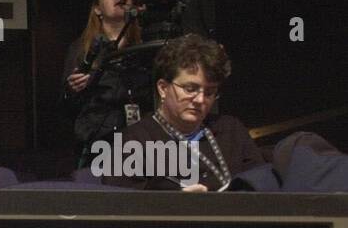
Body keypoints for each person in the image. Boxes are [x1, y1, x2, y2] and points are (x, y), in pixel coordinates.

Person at [105, 34, 264, 191]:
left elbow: (262, 184)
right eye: (190, 89)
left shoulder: (231, 130)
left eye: (209, 92)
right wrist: (175, 204)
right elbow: (120, 206)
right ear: (163, 88)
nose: (200, 99)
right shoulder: (133, 142)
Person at [62, 0, 150, 168]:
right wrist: (75, 88)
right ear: (97, 9)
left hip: (140, 139)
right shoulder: (82, 48)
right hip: (97, 139)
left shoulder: (145, 45)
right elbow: (67, 103)